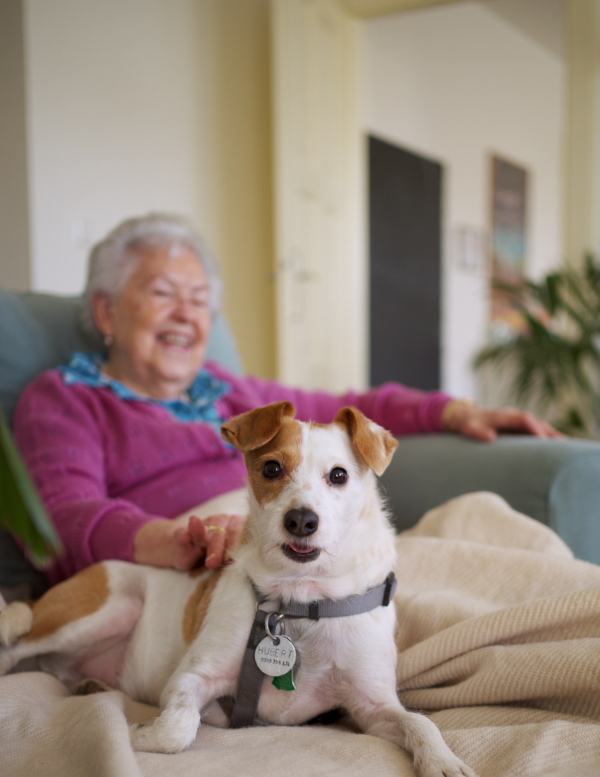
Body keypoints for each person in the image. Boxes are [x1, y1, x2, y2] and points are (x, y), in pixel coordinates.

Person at [14, 213, 561, 586]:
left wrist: (456, 411)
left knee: (484, 521)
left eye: (201, 300)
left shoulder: (232, 392)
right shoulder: (65, 399)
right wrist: (176, 540)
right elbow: (59, 517)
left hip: (290, 543)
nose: (186, 313)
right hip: (210, 565)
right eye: (162, 294)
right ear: (107, 312)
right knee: (439, 590)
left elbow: (347, 402)